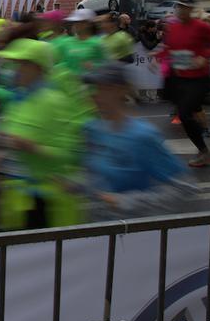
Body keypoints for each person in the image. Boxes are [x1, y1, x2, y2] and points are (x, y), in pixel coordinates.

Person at [0, 39, 87, 230]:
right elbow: (11, 138)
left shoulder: (54, 101)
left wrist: (31, 147)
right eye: (16, 64)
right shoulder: (21, 98)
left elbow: (71, 151)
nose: (15, 70)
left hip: (48, 204)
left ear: (38, 68)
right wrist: (0, 153)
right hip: (18, 200)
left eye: (23, 64)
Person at [82, 62, 193, 219]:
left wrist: (126, 201)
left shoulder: (141, 136)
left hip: (135, 233)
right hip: (101, 230)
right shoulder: (93, 130)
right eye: (93, 89)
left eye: (105, 89)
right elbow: (95, 180)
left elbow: (184, 188)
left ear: (122, 90)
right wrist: (75, 185)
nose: (96, 96)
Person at [161, 0, 210, 168]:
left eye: (184, 7)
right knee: (185, 112)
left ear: (191, 10)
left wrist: (205, 56)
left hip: (198, 78)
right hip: (179, 77)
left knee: (185, 113)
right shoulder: (173, 28)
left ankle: (204, 152)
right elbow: (169, 49)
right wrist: (157, 57)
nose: (181, 10)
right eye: (179, 6)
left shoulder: (201, 27)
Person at [58, 8, 106, 75]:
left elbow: (106, 65)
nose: (76, 25)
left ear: (89, 24)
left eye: (80, 22)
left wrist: (94, 66)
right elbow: (60, 63)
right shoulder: (65, 42)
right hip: (69, 83)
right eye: (75, 22)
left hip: (90, 83)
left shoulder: (98, 43)